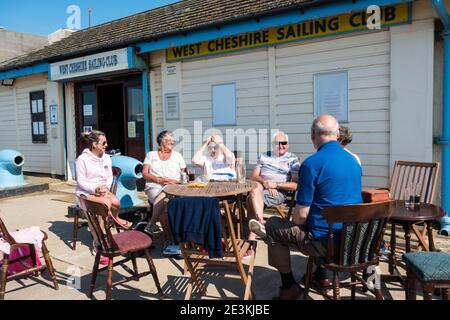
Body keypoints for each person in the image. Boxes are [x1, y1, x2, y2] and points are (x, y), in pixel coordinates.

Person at [249, 115, 362, 300]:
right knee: (319, 222)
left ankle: (288, 287)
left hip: (324, 242)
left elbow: (299, 217)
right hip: (353, 241)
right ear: (336, 134)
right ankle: (321, 275)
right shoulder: (354, 162)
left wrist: (295, 221)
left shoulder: (312, 164)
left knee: (274, 227)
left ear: (313, 135)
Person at [246, 131, 300, 244]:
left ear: (288, 144)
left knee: (250, 200)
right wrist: (266, 183)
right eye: (277, 143)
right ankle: (260, 222)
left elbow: (296, 184)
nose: (280, 146)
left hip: (279, 191)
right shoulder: (263, 156)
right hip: (262, 186)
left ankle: (251, 240)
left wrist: (276, 185)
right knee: (254, 189)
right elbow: (254, 176)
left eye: (283, 143)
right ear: (272, 145)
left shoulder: (293, 159)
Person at [142, 130, 187, 256]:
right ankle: (169, 240)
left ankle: (153, 225)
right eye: (169, 139)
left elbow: (184, 176)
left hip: (173, 187)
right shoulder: (151, 155)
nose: (172, 141)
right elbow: (144, 173)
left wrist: (176, 182)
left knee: (164, 200)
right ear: (162, 141)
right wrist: (158, 179)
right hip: (154, 186)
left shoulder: (177, 156)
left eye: (173, 140)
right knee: (163, 201)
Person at [75, 130, 130, 229]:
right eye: (104, 143)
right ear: (94, 144)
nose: (107, 145)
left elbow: (109, 176)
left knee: (116, 202)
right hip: (85, 192)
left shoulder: (106, 158)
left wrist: (106, 188)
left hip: (103, 191)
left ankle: (115, 218)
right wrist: (95, 189)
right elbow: (81, 181)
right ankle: (99, 237)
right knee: (105, 204)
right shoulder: (82, 159)